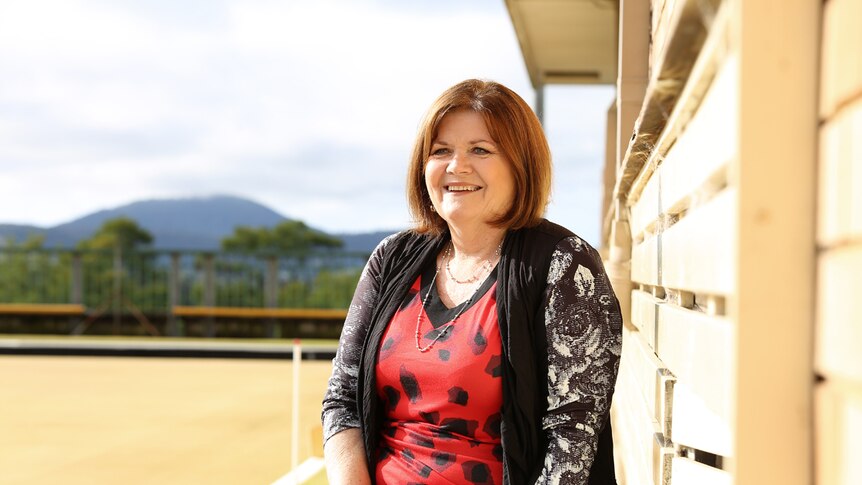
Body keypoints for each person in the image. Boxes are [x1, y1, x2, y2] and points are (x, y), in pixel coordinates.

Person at [321, 79, 622, 485]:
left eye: (480, 150)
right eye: (441, 150)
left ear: (521, 164)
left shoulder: (565, 264)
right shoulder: (391, 259)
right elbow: (342, 401)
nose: (456, 166)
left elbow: (572, 440)